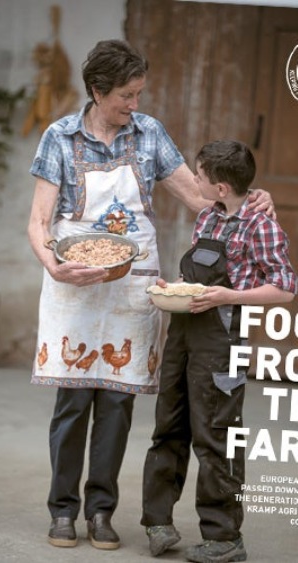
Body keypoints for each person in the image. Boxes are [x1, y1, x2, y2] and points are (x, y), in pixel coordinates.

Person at [26, 40, 273, 550]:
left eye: (139, 93)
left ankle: (100, 512)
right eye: (125, 95)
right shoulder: (58, 137)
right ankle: (62, 511)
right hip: (73, 284)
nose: (134, 104)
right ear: (97, 92)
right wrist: (54, 263)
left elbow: (200, 195)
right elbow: (38, 221)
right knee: (72, 406)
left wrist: (248, 196)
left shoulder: (150, 134)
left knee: (118, 405)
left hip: (132, 288)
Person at [140, 141, 296, 562]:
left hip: (223, 339)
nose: (194, 180)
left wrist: (229, 296)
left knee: (217, 436)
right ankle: (158, 521)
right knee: (168, 427)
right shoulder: (208, 215)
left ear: (222, 186)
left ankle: (225, 537)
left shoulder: (261, 226)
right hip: (184, 331)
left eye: (200, 175)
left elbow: (283, 289)